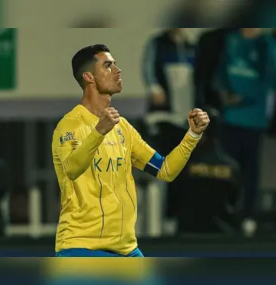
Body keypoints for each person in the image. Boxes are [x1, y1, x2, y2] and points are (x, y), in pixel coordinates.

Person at [51, 44, 210, 257]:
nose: (117, 70)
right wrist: (98, 132)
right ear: (89, 77)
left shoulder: (122, 127)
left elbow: (165, 170)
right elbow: (72, 168)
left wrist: (192, 135)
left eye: (116, 64)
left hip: (127, 249)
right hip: (82, 246)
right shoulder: (70, 124)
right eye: (108, 66)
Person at [214, 28, 276, 233]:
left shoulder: (266, 44)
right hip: (229, 119)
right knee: (228, 169)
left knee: (250, 171)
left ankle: (247, 216)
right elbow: (221, 73)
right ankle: (226, 214)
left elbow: (268, 80)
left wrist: (243, 98)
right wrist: (224, 95)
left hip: (253, 120)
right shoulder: (231, 40)